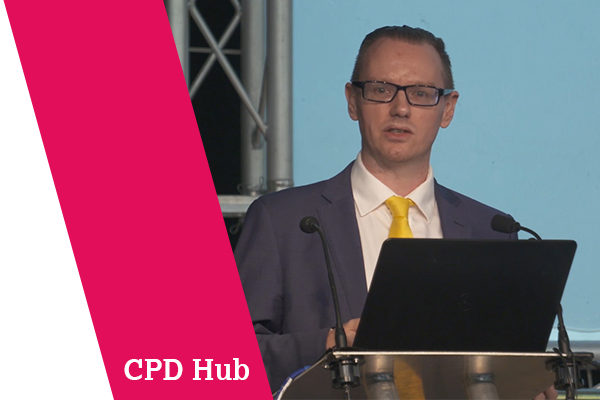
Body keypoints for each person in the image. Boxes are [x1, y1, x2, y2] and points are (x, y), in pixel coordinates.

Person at [235, 25, 541, 395]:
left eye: (421, 93)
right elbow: (227, 359)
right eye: (381, 90)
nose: (401, 108)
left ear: (448, 109)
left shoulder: (491, 230)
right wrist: (326, 345)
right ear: (352, 101)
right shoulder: (282, 221)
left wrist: (527, 382)